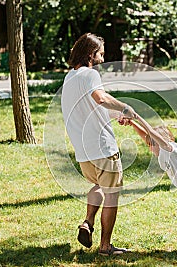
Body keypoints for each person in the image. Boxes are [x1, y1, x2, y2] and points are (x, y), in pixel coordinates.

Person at [61, 33, 136, 256]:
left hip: (84, 153)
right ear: (90, 54)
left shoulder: (70, 78)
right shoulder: (90, 74)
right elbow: (100, 98)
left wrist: (115, 115)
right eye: (100, 53)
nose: (103, 58)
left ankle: (87, 222)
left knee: (99, 186)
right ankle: (105, 247)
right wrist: (123, 107)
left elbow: (92, 107)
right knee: (111, 194)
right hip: (103, 147)